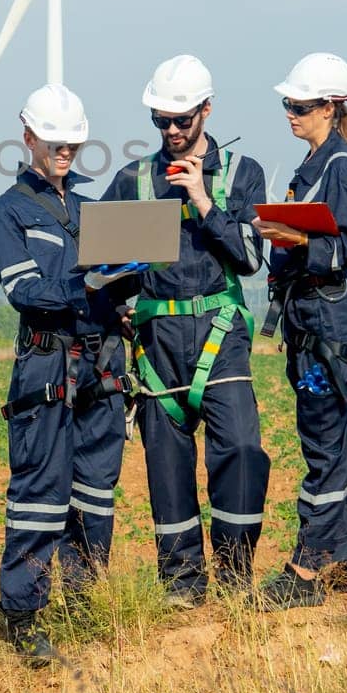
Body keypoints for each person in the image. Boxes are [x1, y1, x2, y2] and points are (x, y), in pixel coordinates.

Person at [100, 55, 270, 606]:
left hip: (222, 337)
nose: (171, 131)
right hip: (157, 345)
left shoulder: (242, 173)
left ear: (207, 110)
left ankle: (236, 576)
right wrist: (116, 307)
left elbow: (249, 259)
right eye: (160, 121)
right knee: (166, 469)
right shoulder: (134, 178)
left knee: (241, 450)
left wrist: (201, 200)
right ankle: (181, 588)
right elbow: (100, 263)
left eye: (181, 120)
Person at [0, 84, 137, 663]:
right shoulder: (6, 213)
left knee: (96, 491)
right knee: (40, 494)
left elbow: (121, 283)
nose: (66, 151)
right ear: (28, 138)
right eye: (55, 142)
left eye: (73, 142)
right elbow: (26, 292)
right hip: (47, 363)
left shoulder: (98, 209)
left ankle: (82, 604)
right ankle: (21, 615)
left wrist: (127, 287)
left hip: (103, 364)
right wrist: (87, 283)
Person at [251, 52, 347, 610]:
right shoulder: (314, 166)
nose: (290, 113)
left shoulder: (341, 167)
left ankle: (306, 573)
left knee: (325, 444)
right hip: (311, 322)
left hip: (327, 325)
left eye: (300, 106)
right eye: (287, 104)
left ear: (330, 107)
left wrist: (300, 240)